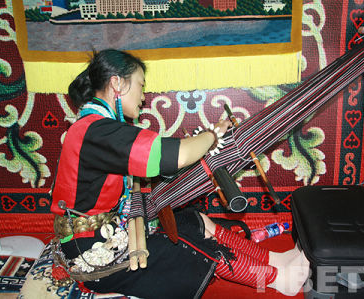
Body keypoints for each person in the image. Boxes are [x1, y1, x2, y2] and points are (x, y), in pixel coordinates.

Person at [50, 49, 309, 298]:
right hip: (93, 255)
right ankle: (278, 280)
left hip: (106, 234)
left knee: (192, 220)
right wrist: (213, 135)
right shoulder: (98, 132)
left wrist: (209, 138)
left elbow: (164, 155)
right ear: (117, 83)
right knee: (189, 246)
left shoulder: (96, 128)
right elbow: (178, 156)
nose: (143, 96)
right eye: (141, 85)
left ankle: (274, 260)